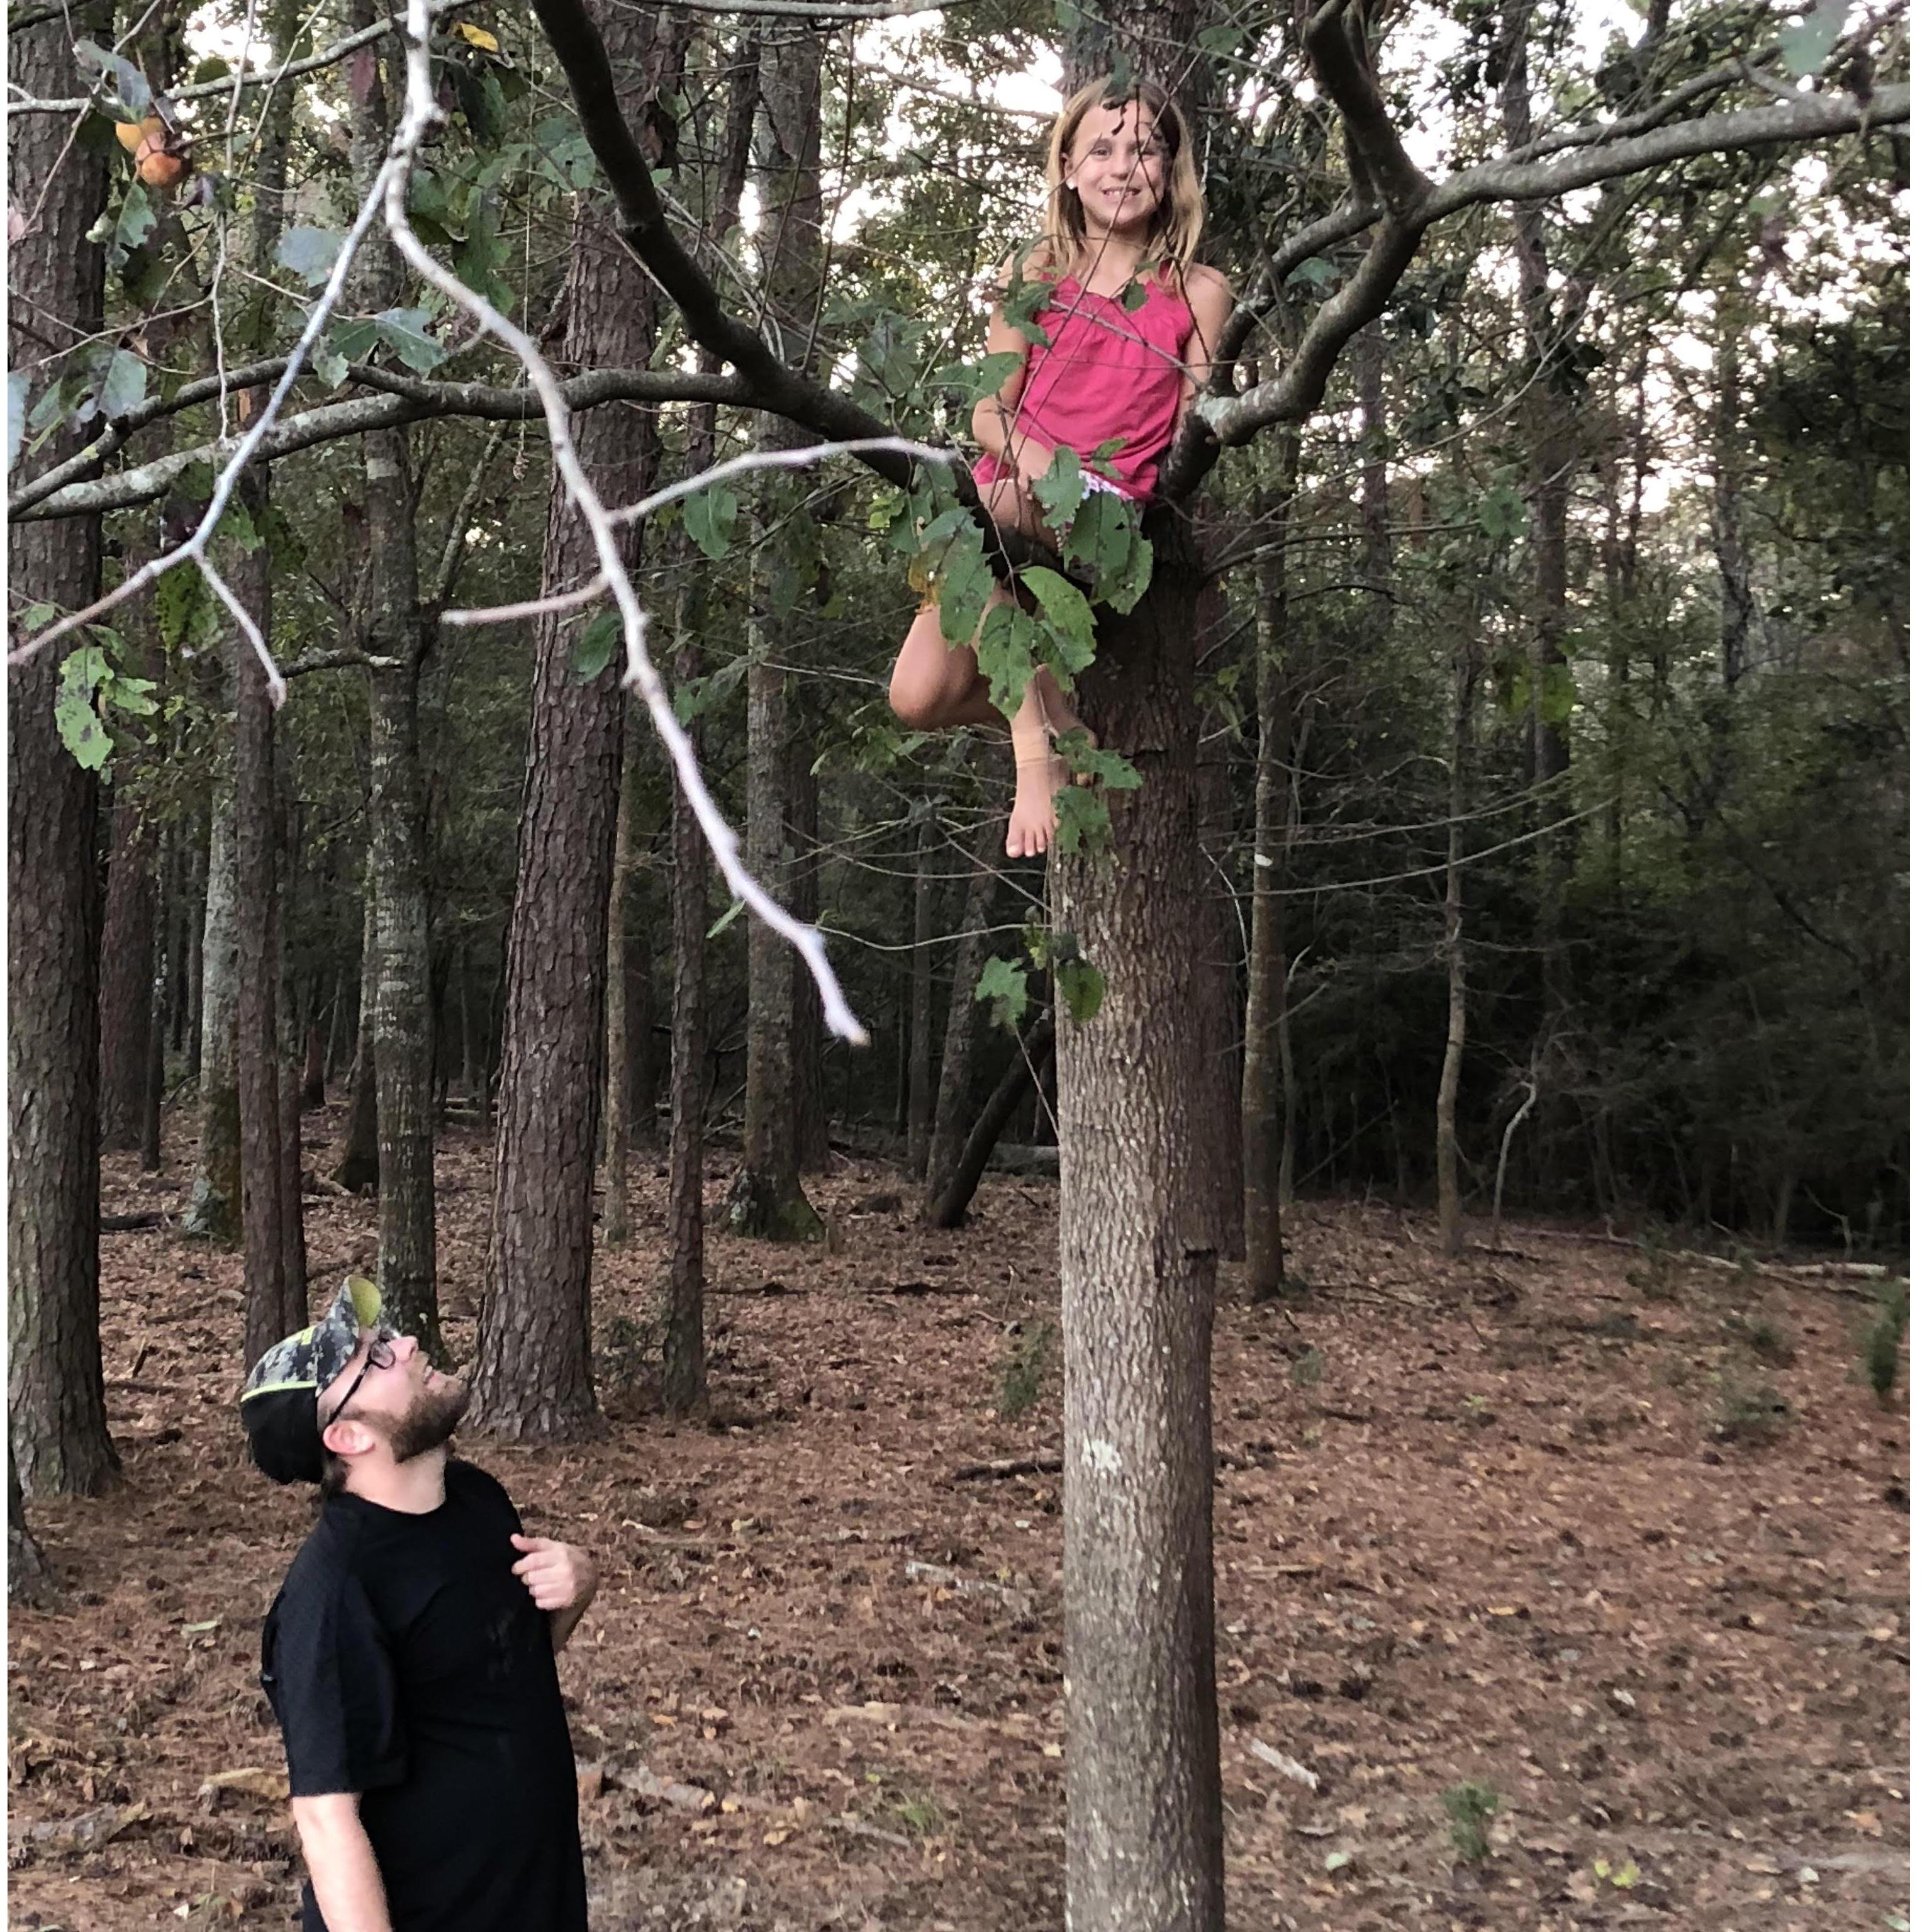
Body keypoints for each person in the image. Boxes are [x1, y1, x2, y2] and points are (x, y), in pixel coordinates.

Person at [888, 77, 1234, 858]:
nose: (1122, 166)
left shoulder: (1199, 290)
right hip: (1014, 492)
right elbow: (986, 410)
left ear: (1171, 169)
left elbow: (1192, 427)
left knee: (988, 508)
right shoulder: (1035, 274)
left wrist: (1104, 491)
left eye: (1144, 148)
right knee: (914, 698)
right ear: (1069, 170)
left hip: (1105, 514)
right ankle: (1059, 718)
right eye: (1101, 149)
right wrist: (1046, 468)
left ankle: (1033, 755)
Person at [239, 1276, 600, 1932]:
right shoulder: (334, 1593)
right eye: (375, 1358)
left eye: (385, 1340)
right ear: (347, 1437)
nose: (406, 1345)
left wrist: (575, 1590)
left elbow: (498, 1672)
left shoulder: (475, 1498)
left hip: (534, 1899)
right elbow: (326, 1815)